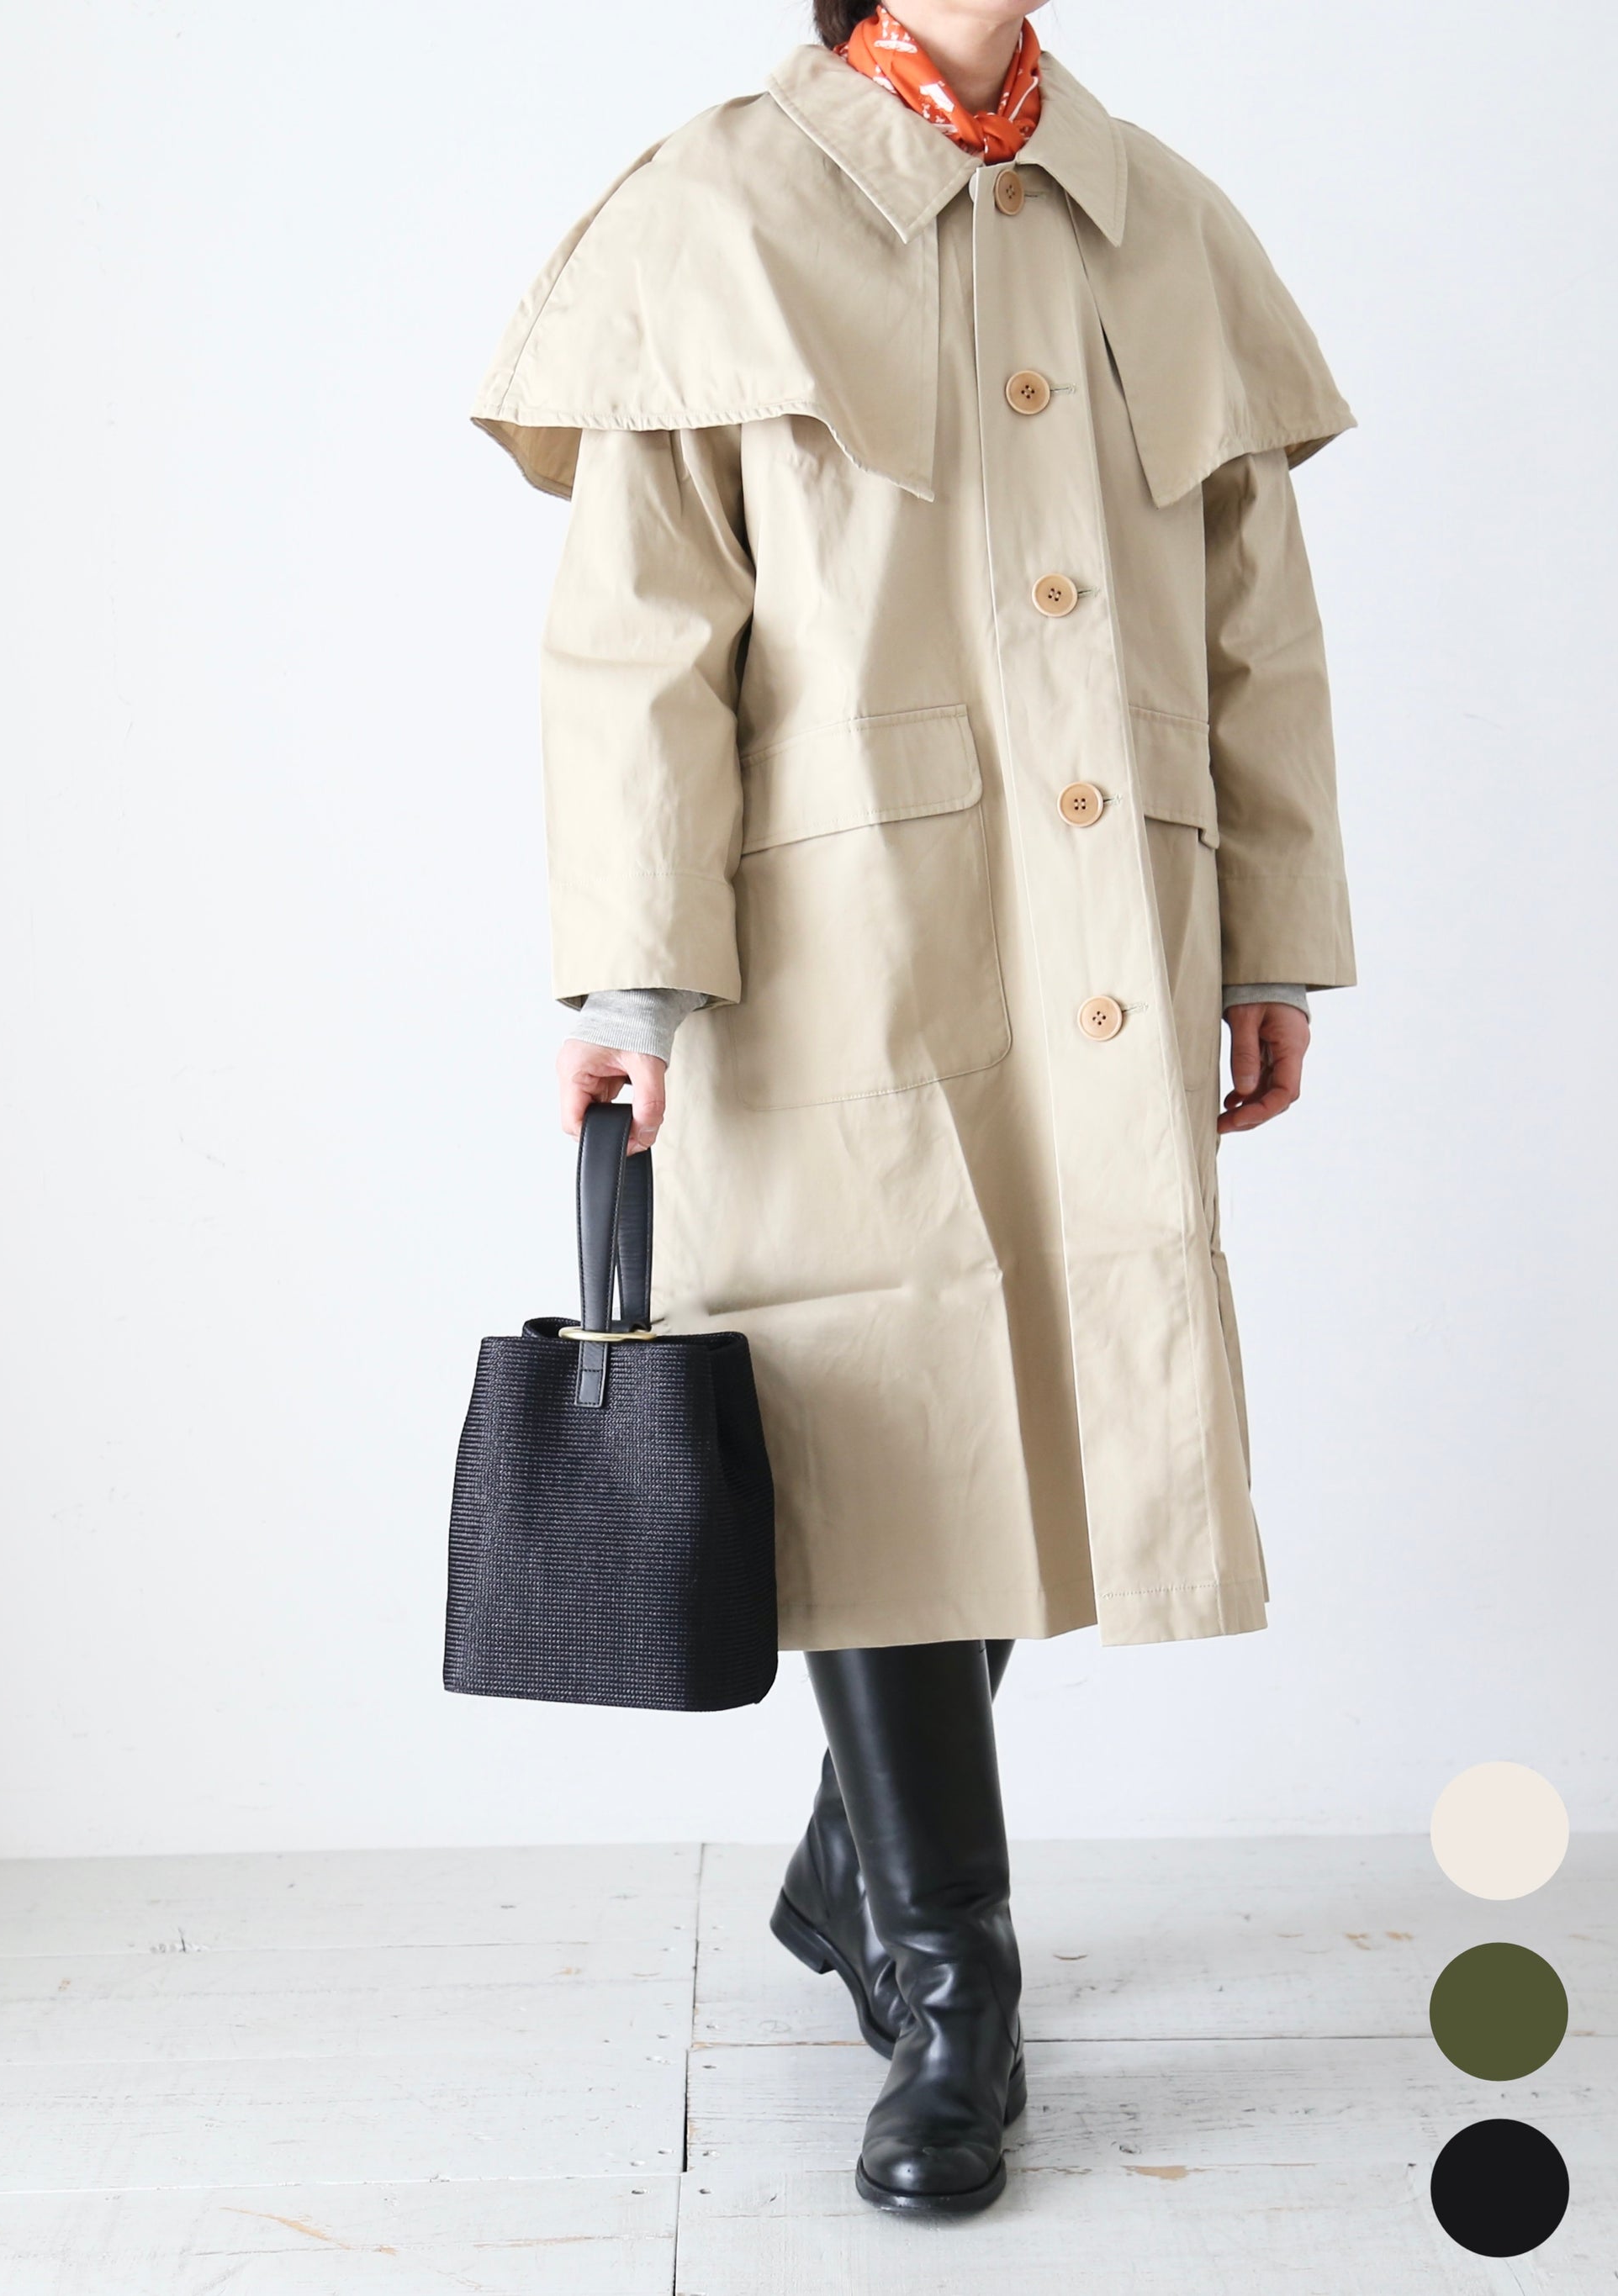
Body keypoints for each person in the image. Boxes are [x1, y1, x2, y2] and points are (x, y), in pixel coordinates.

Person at [475, 0, 1355, 2219]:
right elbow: (636, 641)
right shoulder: (718, 208)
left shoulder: (1154, 216)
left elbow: (1254, 617)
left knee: (1052, 1397)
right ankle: (954, 1986)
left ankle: (848, 1867)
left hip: (1108, 918)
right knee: (874, 1419)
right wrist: (634, 976)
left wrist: (1268, 938)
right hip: (827, 945)